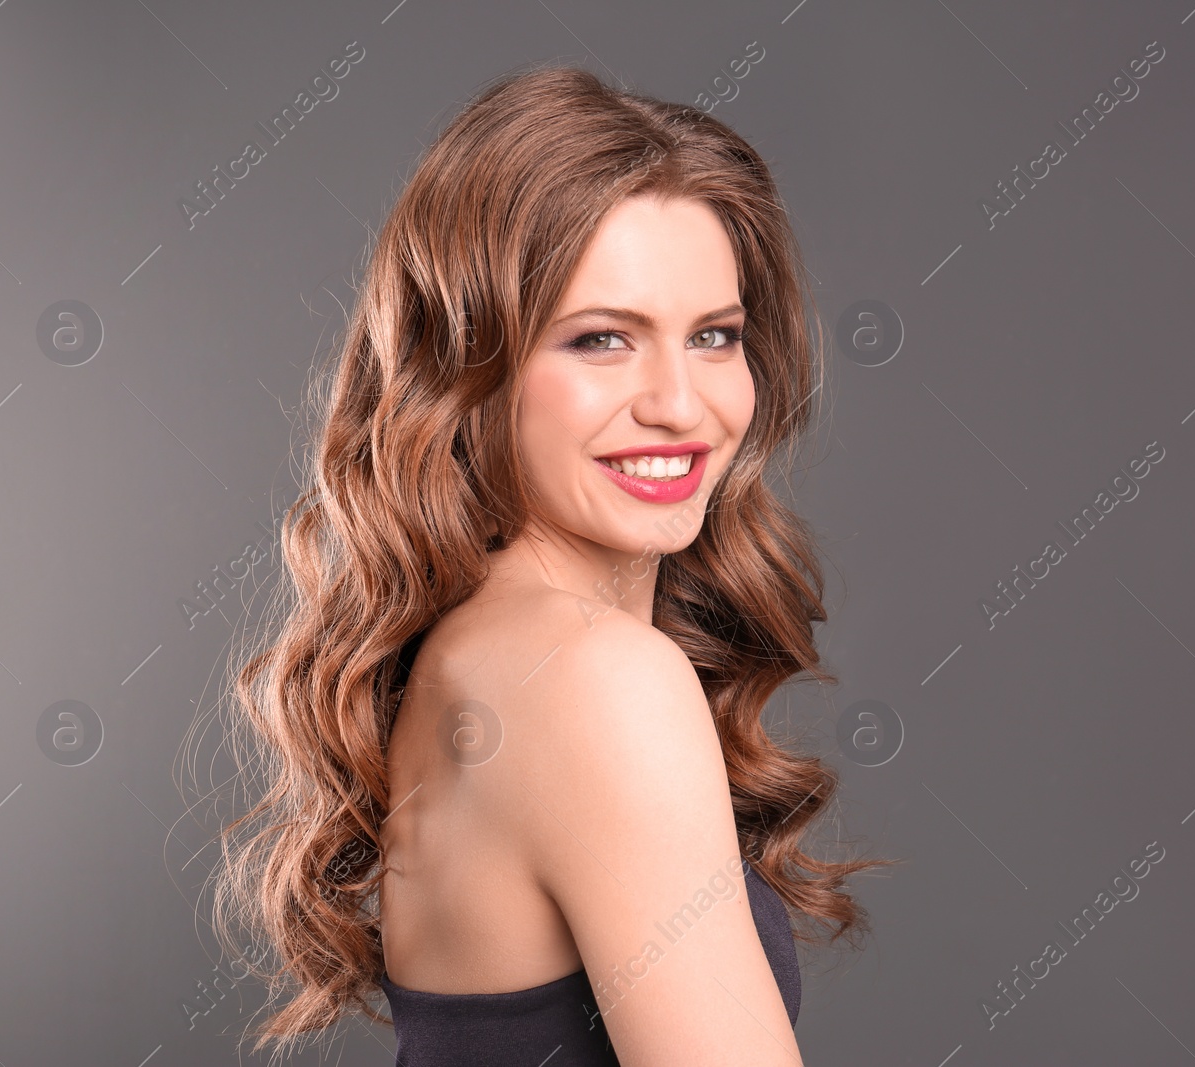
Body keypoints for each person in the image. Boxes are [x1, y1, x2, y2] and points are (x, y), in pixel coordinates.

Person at [209, 63, 894, 1066]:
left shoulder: (476, 654)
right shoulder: (595, 677)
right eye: (601, 339)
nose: (677, 401)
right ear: (469, 369)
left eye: (713, 335)